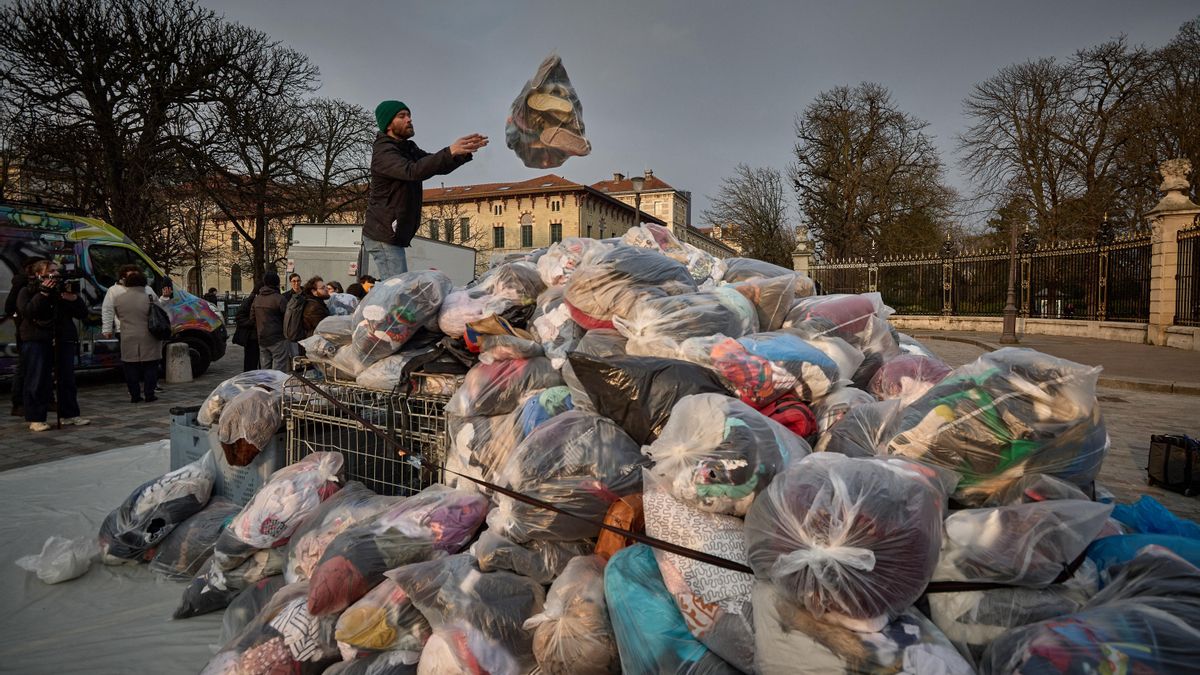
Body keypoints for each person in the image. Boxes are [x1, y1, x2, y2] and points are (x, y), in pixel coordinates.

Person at [363, 100, 487, 279]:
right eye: (402, 116)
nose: (409, 119)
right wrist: (450, 150)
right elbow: (413, 171)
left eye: (409, 115)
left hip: (391, 234)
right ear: (388, 124)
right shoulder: (384, 153)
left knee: (396, 290)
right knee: (397, 290)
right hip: (382, 234)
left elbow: (435, 165)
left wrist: (460, 153)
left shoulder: (408, 148)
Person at [16, 260, 90, 432]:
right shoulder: (27, 290)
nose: (56, 274)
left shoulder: (61, 290)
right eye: (51, 271)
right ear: (39, 274)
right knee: (38, 379)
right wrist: (43, 294)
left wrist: (74, 299)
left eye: (57, 270)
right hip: (36, 338)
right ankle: (36, 418)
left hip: (62, 337)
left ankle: (69, 414)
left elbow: (82, 313)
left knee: (67, 378)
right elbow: (28, 312)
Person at [112, 269, 166, 403]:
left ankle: (134, 395)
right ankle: (149, 393)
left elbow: (119, 316)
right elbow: (161, 313)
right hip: (148, 335)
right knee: (151, 366)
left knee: (130, 367)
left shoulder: (119, 299)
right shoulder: (150, 297)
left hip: (127, 336)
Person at [5, 257, 46, 417]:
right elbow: (10, 306)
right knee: (24, 367)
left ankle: (45, 399)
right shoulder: (21, 284)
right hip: (26, 331)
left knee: (41, 368)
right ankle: (18, 403)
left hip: (39, 331)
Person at [252, 272, 290, 371]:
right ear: (277, 283)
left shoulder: (257, 299)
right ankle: (275, 386)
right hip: (277, 338)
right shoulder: (280, 299)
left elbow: (252, 318)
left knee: (265, 369)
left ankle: (265, 386)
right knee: (279, 369)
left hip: (262, 338)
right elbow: (288, 318)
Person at [233, 281, 263, 371]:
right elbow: (239, 317)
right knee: (251, 363)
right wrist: (252, 323)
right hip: (251, 337)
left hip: (257, 336)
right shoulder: (250, 300)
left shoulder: (257, 299)